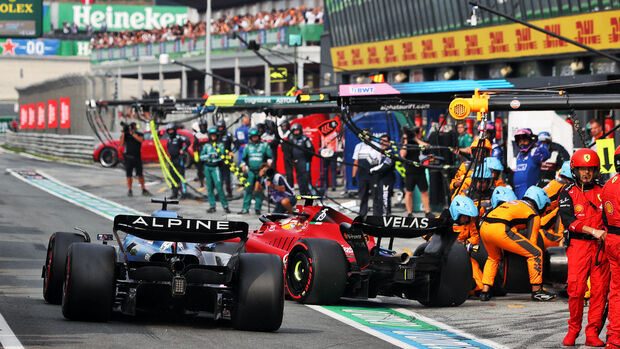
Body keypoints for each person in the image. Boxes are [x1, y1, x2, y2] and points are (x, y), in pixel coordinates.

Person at [559, 149, 609, 347]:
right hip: (578, 246)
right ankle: (573, 330)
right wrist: (592, 230)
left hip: (600, 249)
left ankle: (592, 333)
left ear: (596, 170)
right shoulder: (567, 192)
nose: (586, 173)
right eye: (582, 169)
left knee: (599, 291)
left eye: (590, 169)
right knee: (576, 290)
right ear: (575, 170)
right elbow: (567, 220)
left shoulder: (603, 190)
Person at [479, 186, 555, 302]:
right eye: (545, 206)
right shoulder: (533, 214)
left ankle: (485, 291)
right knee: (535, 253)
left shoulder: (515, 203)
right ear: (539, 202)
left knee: (493, 258)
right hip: (500, 229)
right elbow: (532, 242)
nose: (544, 210)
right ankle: (537, 291)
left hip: (485, 227)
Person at [601, 145, 620, 349]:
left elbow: (604, 217)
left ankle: (614, 337)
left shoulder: (609, 184)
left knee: (615, 290)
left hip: (612, 241)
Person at [450, 195, 483, 293]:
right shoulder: (444, 219)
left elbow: (475, 237)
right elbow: (427, 231)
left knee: (474, 265)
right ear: (456, 214)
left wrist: (466, 243)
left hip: (463, 255)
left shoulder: (470, 223)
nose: (467, 219)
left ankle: (477, 288)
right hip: (446, 257)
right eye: (464, 216)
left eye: (468, 216)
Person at [400, 126, 433, 218]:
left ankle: (427, 212)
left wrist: (416, 140)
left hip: (420, 171)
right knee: (409, 192)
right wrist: (406, 141)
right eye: (419, 132)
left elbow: (428, 146)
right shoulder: (406, 143)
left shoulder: (419, 142)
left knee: (424, 192)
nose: (420, 134)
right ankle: (409, 213)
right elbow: (402, 155)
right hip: (410, 172)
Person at [239, 128, 272, 214]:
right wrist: (243, 166)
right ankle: (245, 208)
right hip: (250, 171)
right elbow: (243, 159)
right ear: (250, 137)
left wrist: (266, 167)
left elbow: (270, 158)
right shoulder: (247, 146)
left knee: (259, 190)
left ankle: (258, 208)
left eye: (256, 136)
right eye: (253, 136)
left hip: (261, 172)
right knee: (248, 189)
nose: (255, 138)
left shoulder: (264, 145)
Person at [199, 127, 230, 214]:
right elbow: (201, 157)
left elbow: (222, 157)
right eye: (211, 135)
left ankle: (225, 206)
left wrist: (216, 157)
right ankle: (212, 205)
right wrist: (209, 156)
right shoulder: (206, 146)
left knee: (219, 186)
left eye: (214, 135)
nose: (213, 137)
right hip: (207, 167)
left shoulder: (220, 145)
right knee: (209, 187)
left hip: (216, 167)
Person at [513, 128, 550, 199]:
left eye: (524, 140)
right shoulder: (519, 155)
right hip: (517, 190)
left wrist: (539, 146)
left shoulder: (534, 152)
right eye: (520, 141)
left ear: (530, 140)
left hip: (529, 191)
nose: (522, 143)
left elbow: (546, 155)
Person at [352, 128, 381, 217]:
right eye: (364, 135)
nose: (366, 137)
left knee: (375, 197)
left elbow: (379, 161)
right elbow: (356, 162)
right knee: (363, 197)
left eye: (367, 135)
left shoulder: (376, 146)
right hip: (362, 176)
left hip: (373, 176)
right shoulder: (358, 146)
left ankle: (376, 216)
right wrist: (353, 176)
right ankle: (362, 215)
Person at [119, 122, 150, 197]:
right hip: (128, 157)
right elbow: (121, 144)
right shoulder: (126, 135)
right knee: (129, 175)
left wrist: (132, 134)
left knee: (140, 174)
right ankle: (130, 190)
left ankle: (143, 189)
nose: (135, 128)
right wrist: (123, 133)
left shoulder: (139, 134)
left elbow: (141, 140)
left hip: (137, 157)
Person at [370, 134, 396, 216]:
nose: (382, 144)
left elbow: (385, 166)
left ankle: (386, 218)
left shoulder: (390, 153)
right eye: (381, 142)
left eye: (385, 141)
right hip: (381, 180)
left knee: (385, 200)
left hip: (387, 180)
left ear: (389, 143)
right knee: (380, 200)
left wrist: (373, 169)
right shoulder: (383, 153)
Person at [289, 123, 315, 195]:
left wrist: (308, 158)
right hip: (297, 162)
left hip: (305, 161)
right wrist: (291, 159)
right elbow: (289, 150)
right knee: (299, 177)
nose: (296, 132)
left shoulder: (305, 139)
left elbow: (311, 149)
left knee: (306, 177)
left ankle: (309, 192)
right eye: (295, 131)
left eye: (297, 131)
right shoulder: (292, 139)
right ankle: (302, 192)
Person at [166, 123, 190, 199]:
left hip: (179, 159)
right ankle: (174, 193)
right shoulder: (169, 139)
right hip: (172, 160)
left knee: (181, 176)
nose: (170, 132)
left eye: (172, 130)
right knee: (173, 177)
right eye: (169, 130)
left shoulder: (179, 137)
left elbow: (188, 141)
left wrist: (183, 150)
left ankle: (184, 193)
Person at [216, 119, 235, 199]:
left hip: (227, 158)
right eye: (219, 127)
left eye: (221, 127)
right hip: (218, 158)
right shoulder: (216, 134)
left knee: (227, 177)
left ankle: (229, 192)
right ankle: (219, 192)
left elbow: (237, 144)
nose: (220, 129)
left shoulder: (229, 135)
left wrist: (232, 151)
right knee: (218, 177)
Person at [192, 119, 209, 188]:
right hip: (200, 154)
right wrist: (196, 155)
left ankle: (209, 182)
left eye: (204, 126)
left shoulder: (209, 133)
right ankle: (201, 183)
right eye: (201, 126)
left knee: (208, 169)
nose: (203, 127)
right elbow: (194, 146)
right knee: (199, 170)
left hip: (208, 154)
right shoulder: (197, 135)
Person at [279, 120, 295, 186]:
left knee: (290, 171)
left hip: (289, 155)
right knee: (287, 171)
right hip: (285, 154)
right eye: (282, 127)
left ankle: (291, 185)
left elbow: (291, 145)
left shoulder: (289, 134)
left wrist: (290, 155)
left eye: (284, 126)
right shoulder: (283, 134)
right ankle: (289, 184)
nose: (283, 128)